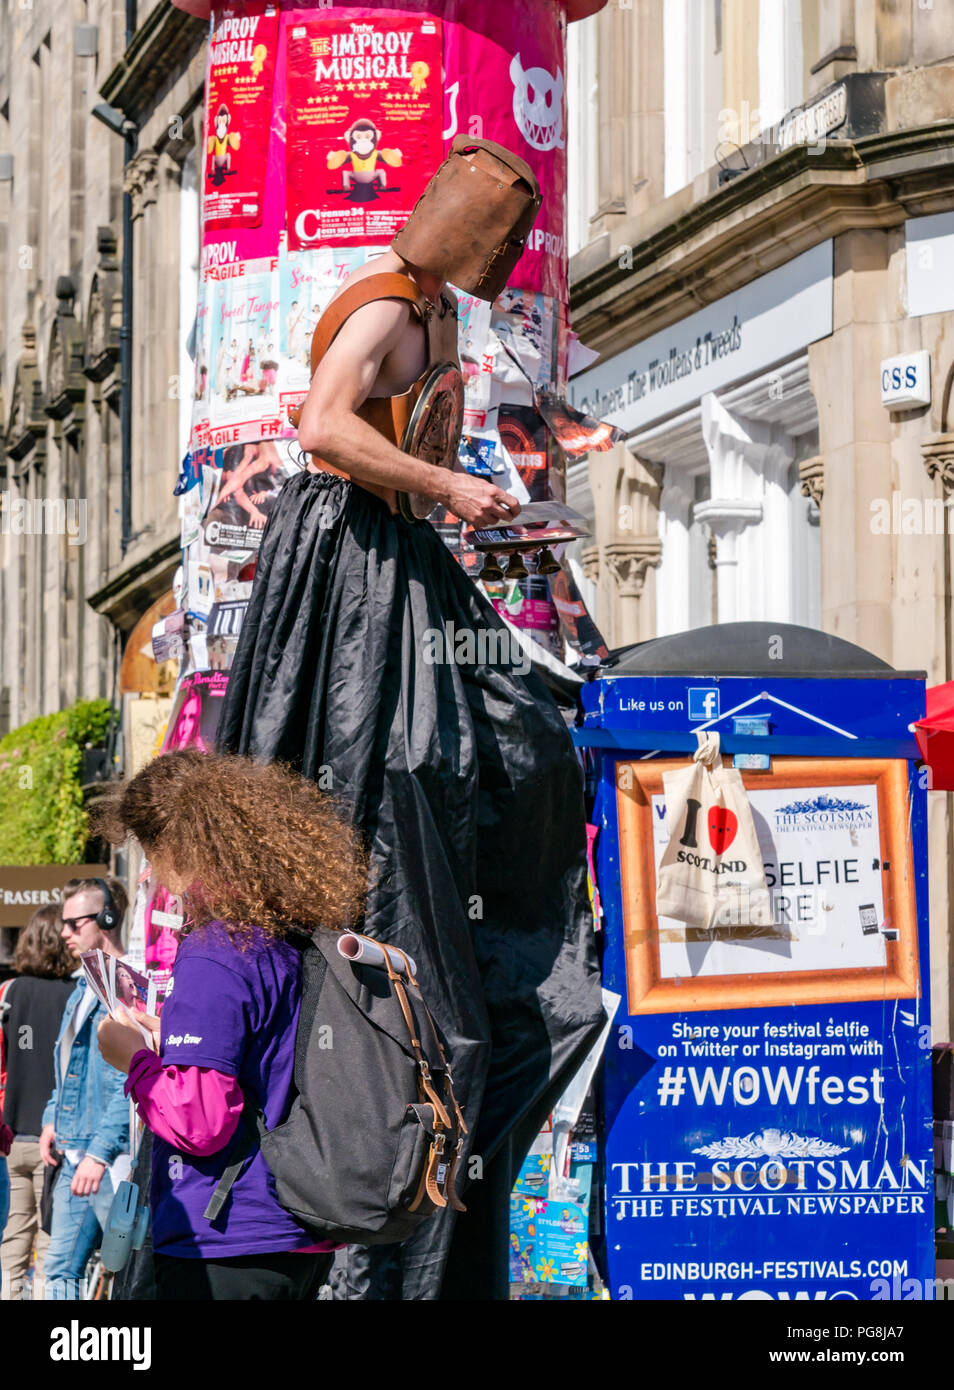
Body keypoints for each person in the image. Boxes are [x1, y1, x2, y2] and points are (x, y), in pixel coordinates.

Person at [216, 136, 605, 1300]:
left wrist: (478, 513)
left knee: (517, 734)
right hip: (349, 559)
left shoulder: (435, 312)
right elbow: (326, 427)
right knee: (395, 753)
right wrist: (446, 489)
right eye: (498, 237)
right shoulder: (386, 304)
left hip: (399, 553)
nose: (507, 257)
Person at [93, 748, 367, 1301]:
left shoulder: (214, 952)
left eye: (153, 853)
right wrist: (168, 1035)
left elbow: (200, 1119)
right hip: (294, 1227)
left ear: (186, 848)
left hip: (227, 1235)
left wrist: (134, 1059)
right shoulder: (282, 938)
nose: (148, 873)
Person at [39, 877, 131, 1300]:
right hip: (75, 1149)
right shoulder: (82, 988)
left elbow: (129, 1079)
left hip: (106, 1160)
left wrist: (99, 1152)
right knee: (61, 1269)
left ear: (106, 920)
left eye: (75, 923)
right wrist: (50, 1120)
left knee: (125, 1271)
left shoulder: (126, 988)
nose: (64, 933)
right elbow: (65, 1068)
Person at [0, 906, 75, 1299]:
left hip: (12, 1135)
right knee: (50, 1240)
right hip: (58, 1138)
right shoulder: (78, 997)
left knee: (12, 1237)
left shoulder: (10, 992)